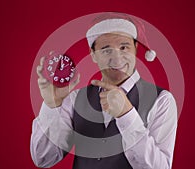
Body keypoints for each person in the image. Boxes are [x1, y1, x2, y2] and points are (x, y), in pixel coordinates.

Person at [30, 12, 178, 169]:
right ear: (93, 55)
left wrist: (126, 115)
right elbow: (43, 158)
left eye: (124, 47)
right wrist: (52, 104)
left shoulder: (162, 100)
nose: (116, 58)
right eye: (106, 50)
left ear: (135, 49)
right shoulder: (75, 98)